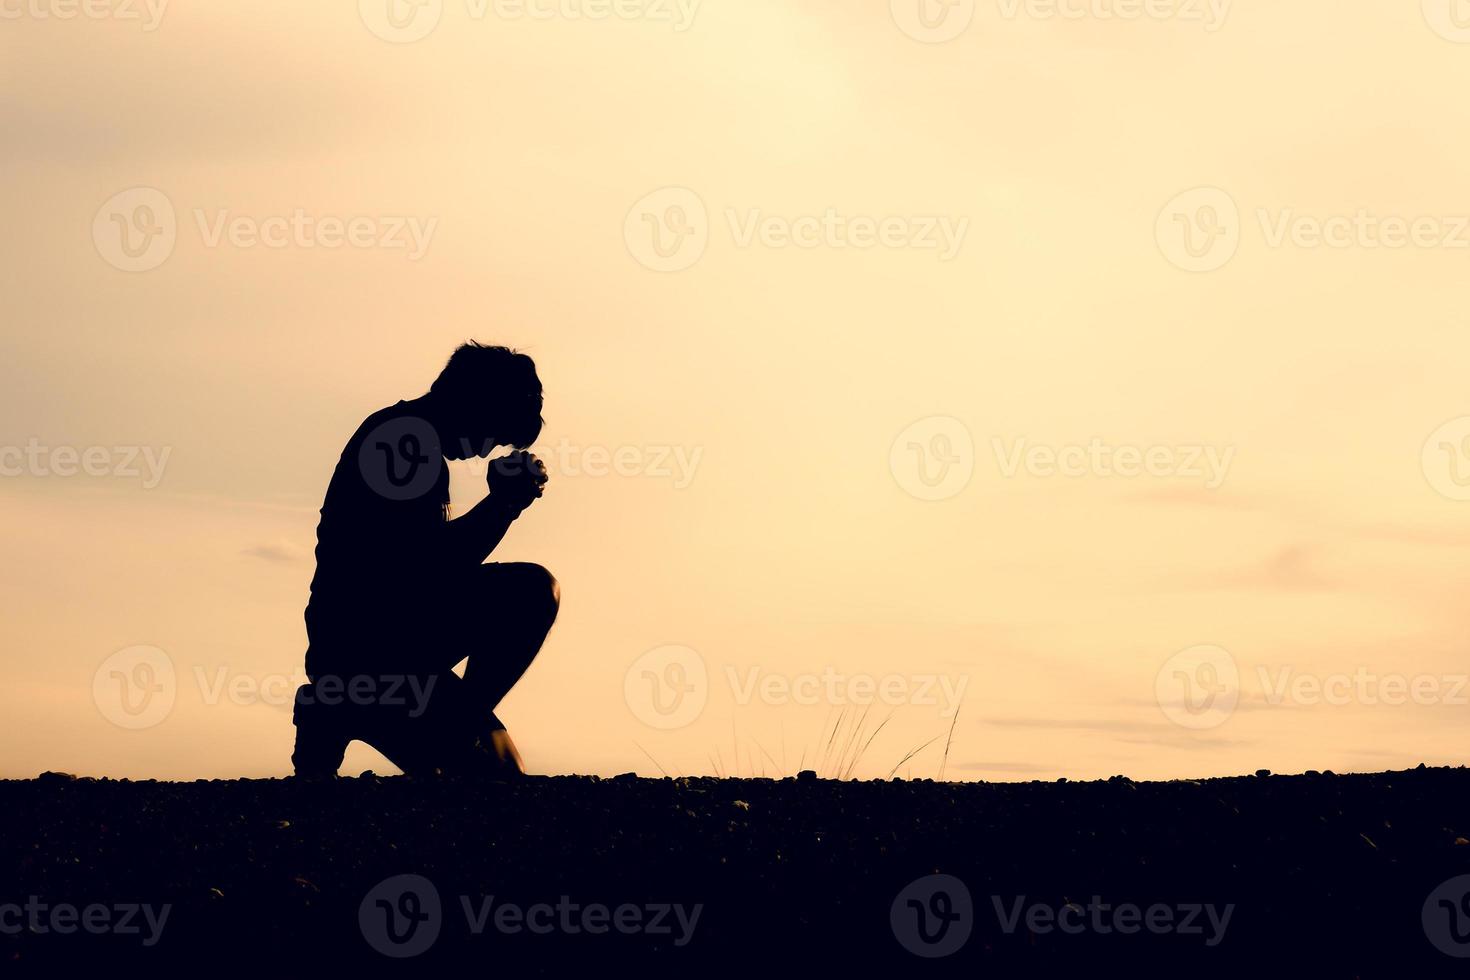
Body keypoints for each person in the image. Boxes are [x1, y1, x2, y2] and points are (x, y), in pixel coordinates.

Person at [291, 343, 558, 777]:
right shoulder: (403, 443)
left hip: (389, 653)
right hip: (371, 653)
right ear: (474, 402)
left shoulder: (411, 441)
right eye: (493, 432)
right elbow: (427, 571)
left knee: (501, 771)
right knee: (531, 590)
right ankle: (348, 706)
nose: (488, 448)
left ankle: (348, 709)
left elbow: (431, 571)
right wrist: (503, 505)